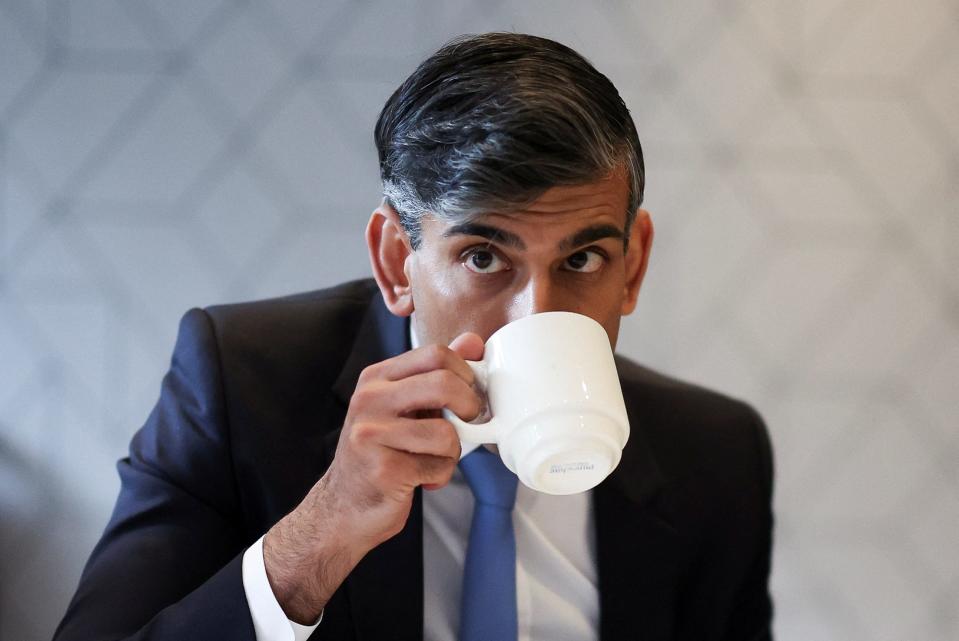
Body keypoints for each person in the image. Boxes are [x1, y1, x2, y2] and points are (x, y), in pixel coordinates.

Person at [54, 32, 774, 641]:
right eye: (483, 257)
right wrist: (320, 531)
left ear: (633, 264)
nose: (536, 315)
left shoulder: (715, 453)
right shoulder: (238, 381)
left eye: (581, 258)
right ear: (397, 261)